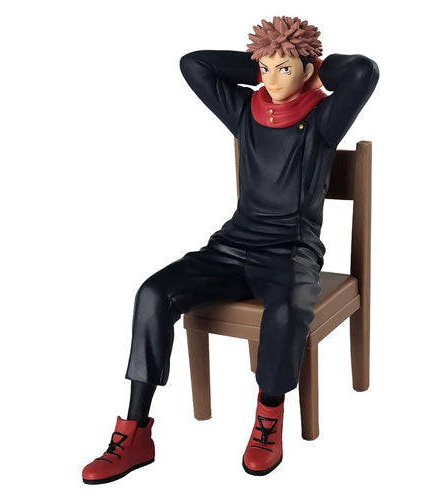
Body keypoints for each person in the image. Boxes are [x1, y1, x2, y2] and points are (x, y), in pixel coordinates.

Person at [82, 15, 379, 483]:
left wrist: (310, 67)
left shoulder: (325, 119)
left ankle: (268, 419)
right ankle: (135, 432)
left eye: (285, 70)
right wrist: (268, 58)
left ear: (308, 71)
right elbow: (194, 64)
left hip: (291, 252)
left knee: (286, 310)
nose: (272, 81)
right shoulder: (245, 111)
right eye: (265, 70)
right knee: (152, 294)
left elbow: (362, 71)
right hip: (232, 246)